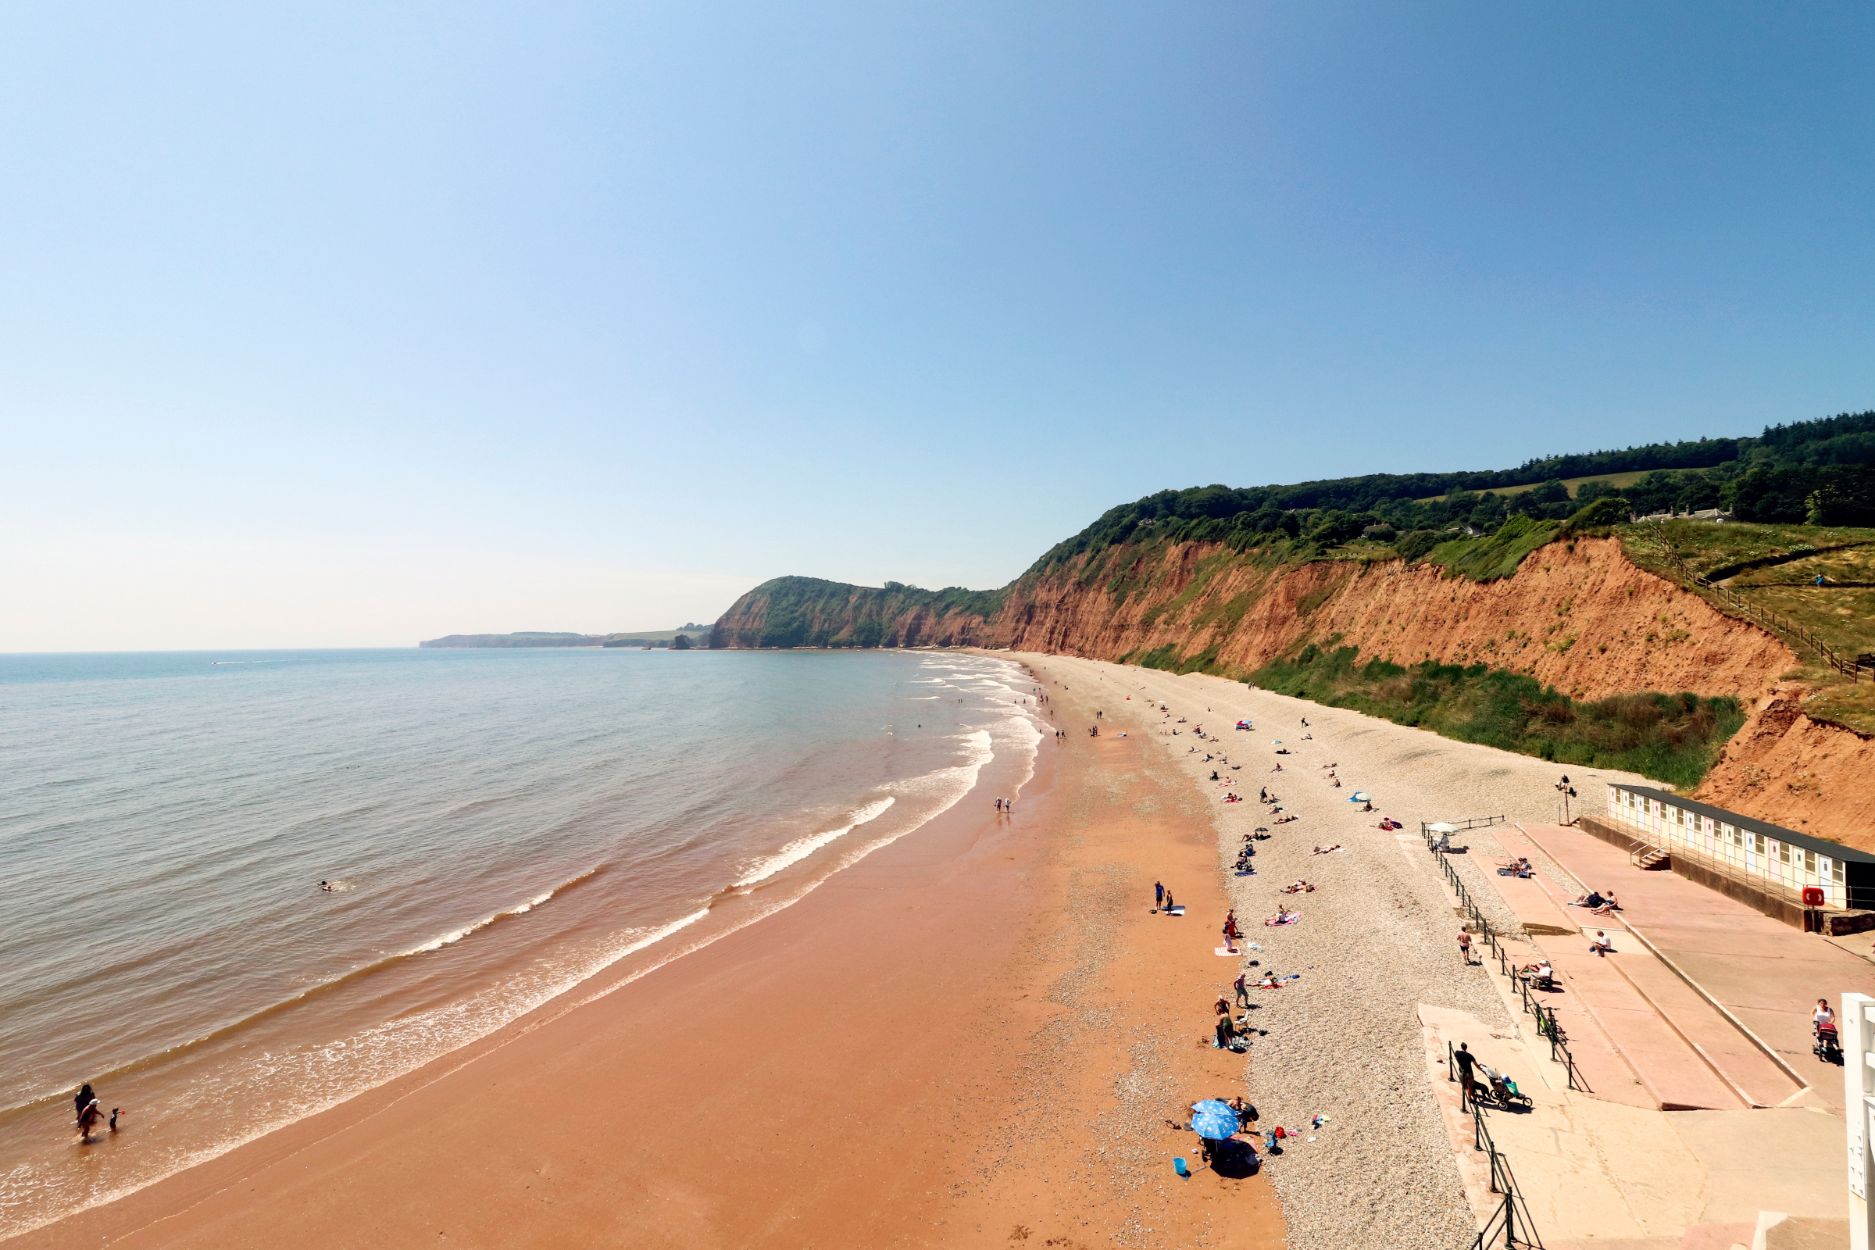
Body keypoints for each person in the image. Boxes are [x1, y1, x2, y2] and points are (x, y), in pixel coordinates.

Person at [1452, 1042, 1478, 1110]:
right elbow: (1476, 1065)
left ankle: (1466, 1095)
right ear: (1466, 1047)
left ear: (1461, 1047)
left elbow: (1455, 1055)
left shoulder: (1457, 1053)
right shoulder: (1470, 1056)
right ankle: (1470, 1099)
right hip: (1469, 1073)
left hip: (1461, 1072)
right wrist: (1480, 1068)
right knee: (1470, 1086)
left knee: (1464, 1085)